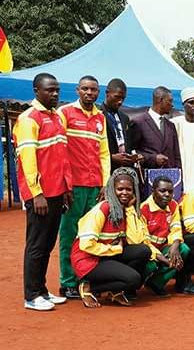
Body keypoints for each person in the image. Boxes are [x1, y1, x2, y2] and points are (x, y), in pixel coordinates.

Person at [16, 73, 73, 311]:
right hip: (40, 195)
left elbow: (61, 158)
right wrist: (36, 193)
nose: (55, 94)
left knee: (48, 243)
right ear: (36, 91)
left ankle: (41, 290)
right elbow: (28, 159)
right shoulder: (28, 119)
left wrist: (66, 188)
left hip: (57, 192)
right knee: (37, 245)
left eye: (57, 90)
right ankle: (31, 295)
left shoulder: (56, 117)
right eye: (50, 90)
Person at [56, 76, 111, 300]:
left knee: (90, 234)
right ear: (78, 90)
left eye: (94, 90)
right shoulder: (65, 113)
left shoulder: (100, 117)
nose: (89, 93)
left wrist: (105, 183)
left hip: (95, 186)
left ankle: (85, 278)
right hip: (73, 187)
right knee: (69, 234)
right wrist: (64, 184)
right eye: (85, 89)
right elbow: (58, 151)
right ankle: (67, 282)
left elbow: (104, 153)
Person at [73, 168, 159, 308]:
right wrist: (115, 249)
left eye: (129, 189)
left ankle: (115, 290)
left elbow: (135, 240)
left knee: (143, 251)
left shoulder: (125, 209)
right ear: (112, 190)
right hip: (88, 259)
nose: (124, 193)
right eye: (120, 189)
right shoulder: (102, 209)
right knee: (134, 279)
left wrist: (130, 210)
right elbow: (86, 245)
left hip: (107, 254)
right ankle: (89, 286)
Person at [139, 176, 194, 296]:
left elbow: (176, 227)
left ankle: (156, 284)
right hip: (149, 251)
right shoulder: (143, 209)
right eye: (162, 191)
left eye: (170, 191)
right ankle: (132, 289)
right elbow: (144, 240)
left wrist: (174, 246)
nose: (167, 195)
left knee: (183, 249)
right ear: (153, 191)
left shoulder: (173, 205)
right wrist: (162, 259)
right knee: (150, 266)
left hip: (165, 246)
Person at [130, 86, 181, 169]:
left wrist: (179, 175)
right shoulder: (139, 122)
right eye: (170, 101)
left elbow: (177, 156)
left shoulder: (171, 126)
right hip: (149, 176)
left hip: (170, 177)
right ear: (160, 100)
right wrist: (153, 158)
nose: (172, 105)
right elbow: (133, 152)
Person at [101, 78, 143, 172]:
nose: (120, 101)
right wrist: (111, 157)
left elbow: (130, 144)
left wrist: (133, 156)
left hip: (125, 170)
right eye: (117, 97)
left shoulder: (124, 118)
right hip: (106, 169)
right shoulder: (98, 115)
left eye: (123, 98)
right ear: (107, 93)